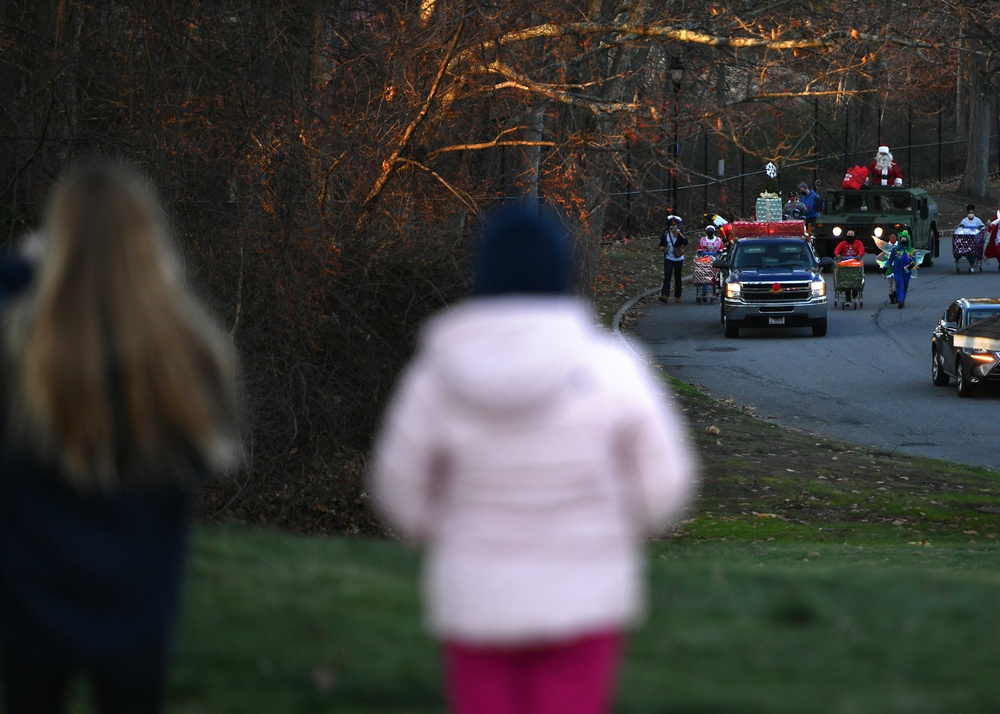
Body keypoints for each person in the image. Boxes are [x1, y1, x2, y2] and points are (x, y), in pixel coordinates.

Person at [370, 204, 697, 714]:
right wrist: (616, 527)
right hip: (585, 598)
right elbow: (665, 485)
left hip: (476, 597)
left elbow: (397, 489)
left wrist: (448, 531)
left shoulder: (437, 374)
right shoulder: (613, 367)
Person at [0, 160, 241, 714]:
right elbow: (197, 472)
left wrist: (19, 268)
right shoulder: (188, 356)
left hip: (30, 599)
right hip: (136, 608)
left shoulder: (18, 352)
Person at [658, 214, 688, 303]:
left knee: (678, 277)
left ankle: (677, 296)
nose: (673, 229)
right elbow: (661, 244)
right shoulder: (666, 233)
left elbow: (686, 242)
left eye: (674, 226)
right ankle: (665, 295)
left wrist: (679, 234)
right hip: (668, 257)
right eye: (671, 226)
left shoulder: (680, 233)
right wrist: (663, 248)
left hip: (678, 258)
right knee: (667, 276)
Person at [887, 230, 916, 308]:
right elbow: (890, 260)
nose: (903, 241)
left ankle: (903, 299)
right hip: (898, 270)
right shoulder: (896, 250)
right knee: (900, 284)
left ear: (908, 240)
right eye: (902, 239)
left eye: (905, 239)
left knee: (905, 285)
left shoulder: (911, 250)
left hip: (907, 271)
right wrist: (884, 267)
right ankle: (900, 300)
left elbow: (914, 260)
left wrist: (911, 265)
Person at [833, 230, 865, 301]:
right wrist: (838, 255)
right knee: (846, 279)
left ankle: (855, 291)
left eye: (851, 235)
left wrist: (859, 255)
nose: (850, 236)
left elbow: (861, 251)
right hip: (845, 264)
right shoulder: (842, 243)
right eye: (849, 234)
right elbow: (837, 250)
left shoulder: (858, 243)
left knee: (856, 278)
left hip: (855, 264)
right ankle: (848, 297)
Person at [986, 201, 1000, 269]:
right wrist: (990, 224)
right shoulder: (999, 212)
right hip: (999, 237)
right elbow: (996, 221)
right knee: (998, 250)